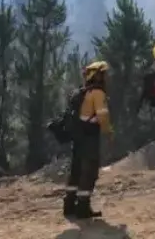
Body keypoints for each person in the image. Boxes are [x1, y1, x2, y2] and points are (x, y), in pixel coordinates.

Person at [63, 61, 113, 220]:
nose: (105, 77)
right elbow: (102, 116)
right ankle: (83, 208)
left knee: (76, 172)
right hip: (90, 138)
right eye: (103, 74)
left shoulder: (81, 92)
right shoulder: (98, 93)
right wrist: (109, 132)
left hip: (78, 138)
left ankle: (69, 205)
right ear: (97, 75)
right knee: (89, 172)